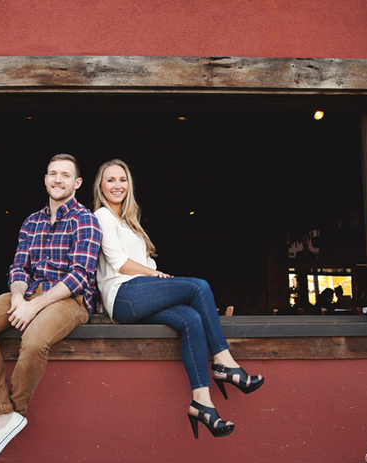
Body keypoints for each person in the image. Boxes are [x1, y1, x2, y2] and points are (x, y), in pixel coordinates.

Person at [92, 159, 263, 440]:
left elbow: (145, 263)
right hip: (122, 295)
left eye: (122, 179)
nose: (117, 185)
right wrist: (156, 275)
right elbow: (119, 263)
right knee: (199, 287)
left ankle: (202, 403)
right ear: (100, 186)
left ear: (129, 185)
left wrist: (156, 278)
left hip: (138, 294)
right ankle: (224, 362)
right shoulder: (102, 216)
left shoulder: (130, 223)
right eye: (110, 180)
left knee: (191, 319)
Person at [0, 154, 102, 463]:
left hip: (70, 299)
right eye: (53, 173)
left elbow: (80, 276)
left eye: (65, 175)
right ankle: (2, 415)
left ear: (77, 183)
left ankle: (13, 411)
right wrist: (18, 298)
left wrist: (34, 306)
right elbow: (19, 267)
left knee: (35, 340)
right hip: (28, 292)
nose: (58, 179)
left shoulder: (86, 220)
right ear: (45, 179)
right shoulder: (32, 221)